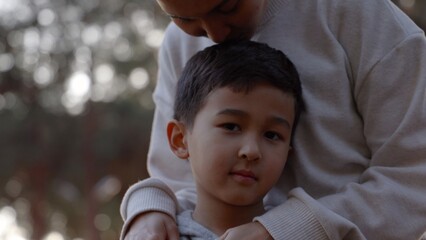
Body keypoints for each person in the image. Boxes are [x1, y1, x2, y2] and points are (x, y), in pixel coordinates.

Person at [120, 0, 426, 239]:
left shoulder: (363, 19)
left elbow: (416, 176)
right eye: (185, 19)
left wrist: (290, 230)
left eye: (227, 6)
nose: (215, 35)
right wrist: (149, 209)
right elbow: (178, 179)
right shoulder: (177, 44)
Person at [135, 40, 305, 239]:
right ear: (180, 139)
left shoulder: (303, 231)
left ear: (287, 153)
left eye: (272, 135)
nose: (251, 150)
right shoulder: (153, 234)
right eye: (231, 126)